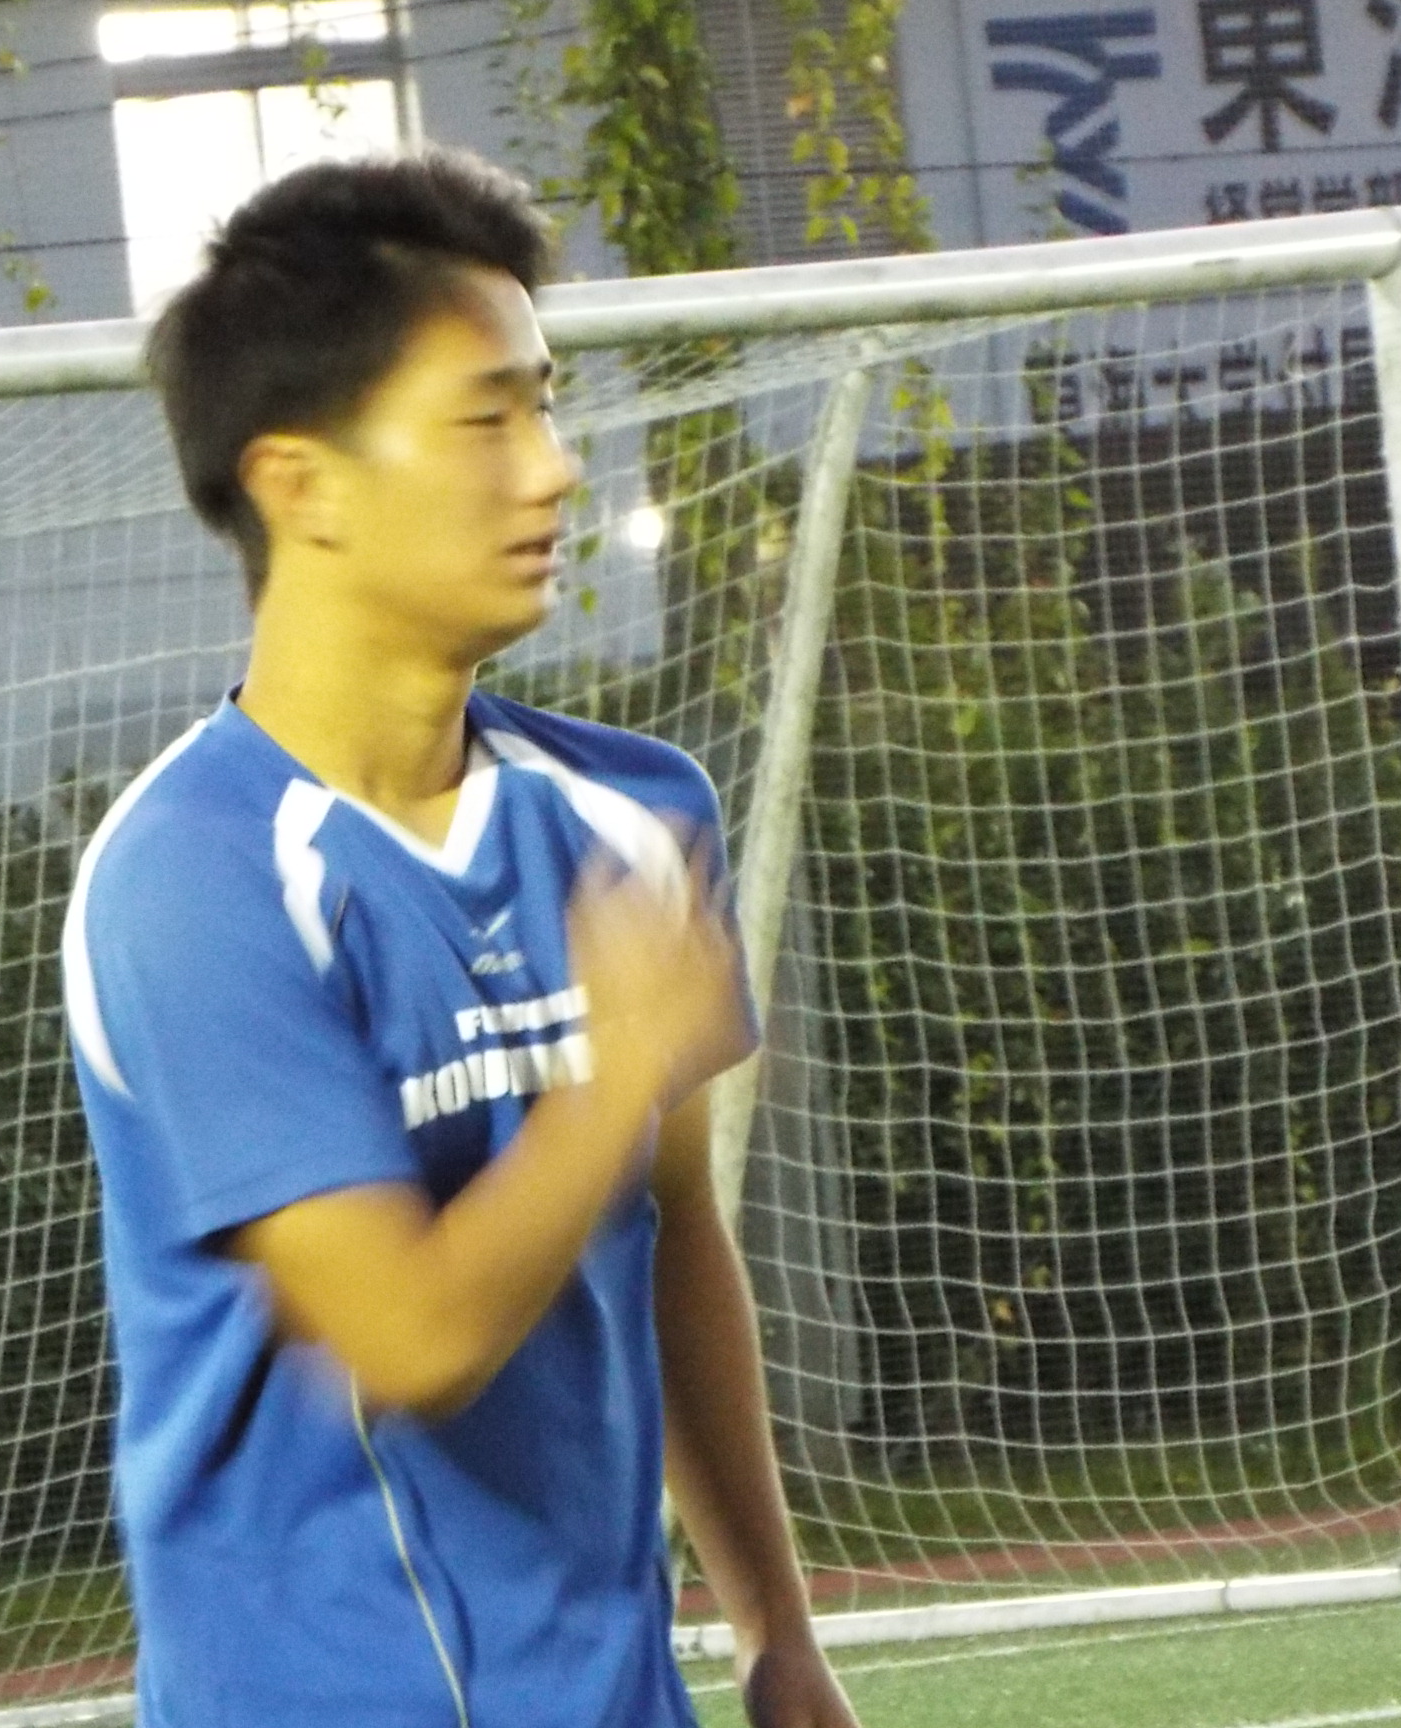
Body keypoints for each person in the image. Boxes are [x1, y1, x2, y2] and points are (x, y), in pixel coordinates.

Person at [61, 148, 861, 1728]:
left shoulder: (637, 814)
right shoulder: (194, 881)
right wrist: (612, 1071)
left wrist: (776, 1628)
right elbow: (410, 1337)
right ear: (301, 484)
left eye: (548, 408)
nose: (554, 472)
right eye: (487, 421)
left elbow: (674, 1232)